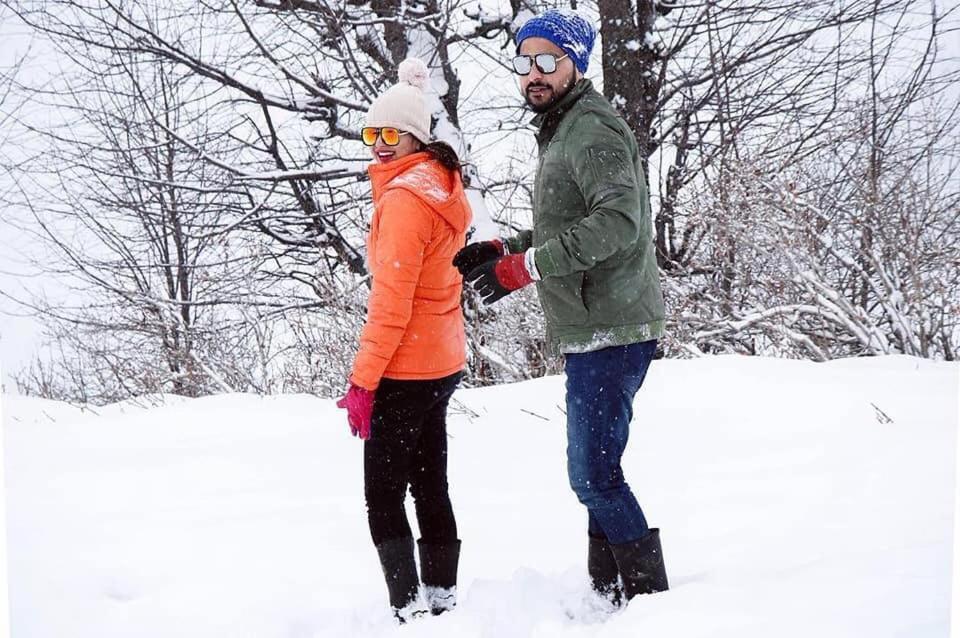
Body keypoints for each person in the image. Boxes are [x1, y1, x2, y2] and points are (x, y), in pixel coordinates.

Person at [453, 10, 669, 607]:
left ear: (576, 61)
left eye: (548, 60)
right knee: (601, 470)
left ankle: (651, 601)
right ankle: (610, 594)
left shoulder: (590, 130)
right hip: (595, 323)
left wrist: (527, 267)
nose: (534, 74)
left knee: (593, 476)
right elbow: (568, 223)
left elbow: (618, 224)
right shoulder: (563, 126)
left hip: (612, 325)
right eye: (524, 62)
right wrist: (506, 246)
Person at [337, 57, 472, 623]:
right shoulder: (444, 183)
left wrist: (363, 381)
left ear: (415, 136)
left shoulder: (401, 202)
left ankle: (409, 611)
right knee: (430, 484)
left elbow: (391, 303)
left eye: (391, 134)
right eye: (372, 134)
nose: (379, 146)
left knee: (383, 495)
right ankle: (442, 598)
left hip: (404, 370)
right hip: (442, 363)